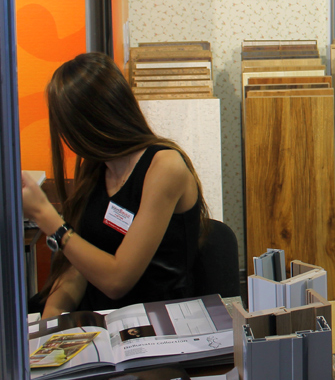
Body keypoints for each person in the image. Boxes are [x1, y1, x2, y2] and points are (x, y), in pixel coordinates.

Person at [21, 52, 209, 317]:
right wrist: (51, 322)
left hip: (153, 322)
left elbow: (117, 281)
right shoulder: (97, 167)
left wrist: (46, 217)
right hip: (100, 319)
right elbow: (77, 266)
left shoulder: (165, 167)